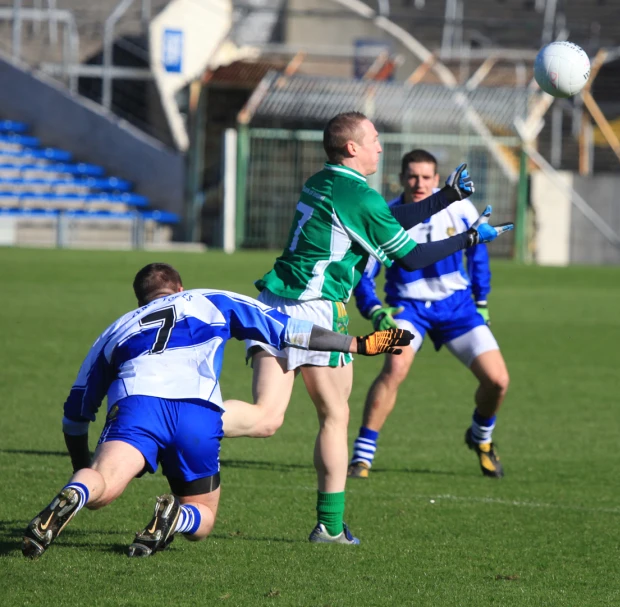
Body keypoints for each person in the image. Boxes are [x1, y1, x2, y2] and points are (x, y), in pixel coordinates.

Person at [219, 112, 513, 545]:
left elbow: (384, 223)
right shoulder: (361, 196)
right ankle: (331, 527)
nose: (380, 146)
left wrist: (446, 195)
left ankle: (173, 418)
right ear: (353, 148)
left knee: (265, 418)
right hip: (318, 309)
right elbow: (409, 257)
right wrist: (470, 239)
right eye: (374, 139)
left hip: (276, 302)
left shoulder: (323, 181)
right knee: (335, 417)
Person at [21, 262, 413, 559]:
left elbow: (75, 414)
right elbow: (288, 329)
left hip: (137, 406)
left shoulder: (116, 329)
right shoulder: (210, 298)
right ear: (179, 288)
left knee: (102, 488)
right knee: (203, 514)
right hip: (199, 412)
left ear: (140, 300)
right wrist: (358, 345)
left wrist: (81, 466)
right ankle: (178, 517)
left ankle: (77, 491)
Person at [347, 149, 511, 480]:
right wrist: (375, 310)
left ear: (437, 180)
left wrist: (482, 300)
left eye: (425, 177)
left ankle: (480, 438)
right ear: (401, 179)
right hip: (408, 309)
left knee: (498, 381)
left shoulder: (460, 207)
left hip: (458, 307)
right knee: (395, 367)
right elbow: (363, 276)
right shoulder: (388, 215)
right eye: (412, 176)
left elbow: (477, 253)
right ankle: (362, 456)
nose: (418, 183)